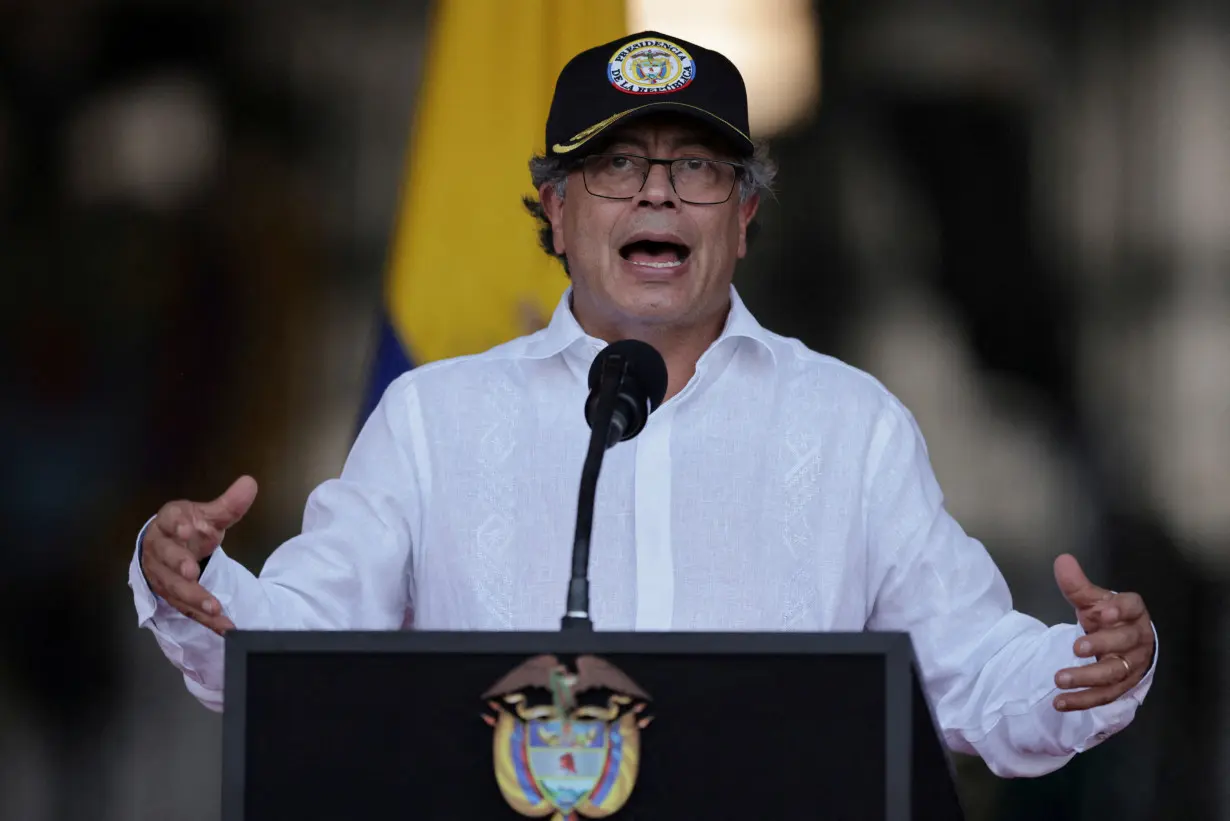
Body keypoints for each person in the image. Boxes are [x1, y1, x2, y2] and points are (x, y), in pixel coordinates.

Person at [129, 31, 1156, 777]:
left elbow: (973, 667)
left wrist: (1090, 664)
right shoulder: (432, 420)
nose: (657, 193)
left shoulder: (851, 425)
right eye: (617, 164)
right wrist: (196, 584)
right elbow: (299, 651)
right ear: (555, 210)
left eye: (696, 168)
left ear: (745, 214)